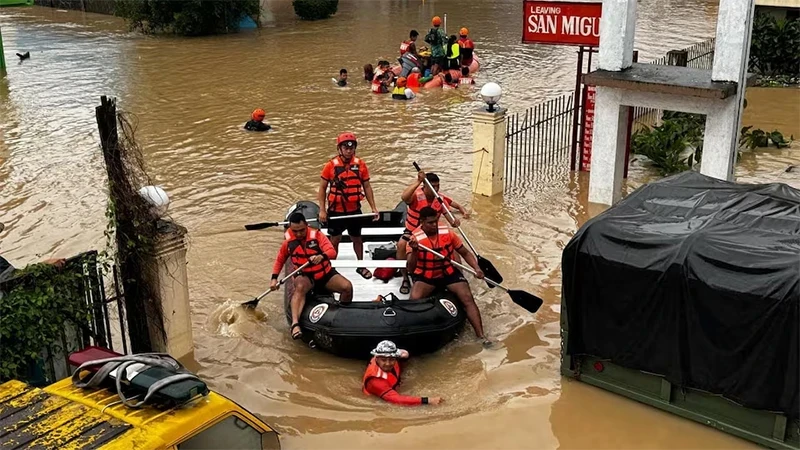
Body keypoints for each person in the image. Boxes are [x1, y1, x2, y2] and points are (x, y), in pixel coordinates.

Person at [406, 207, 488, 343]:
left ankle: (481, 336)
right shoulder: (414, 239)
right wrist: (415, 250)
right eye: (430, 223)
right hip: (427, 276)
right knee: (414, 300)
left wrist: (476, 268)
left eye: (435, 222)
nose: (434, 225)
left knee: (467, 298)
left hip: (448, 273)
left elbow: (465, 253)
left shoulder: (448, 234)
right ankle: (412, 336)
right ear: (422, 222)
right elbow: (411, 267)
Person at [270, 213, 353, 340]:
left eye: (301, 230)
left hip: (324, 274)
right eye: (295, 231)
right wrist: (274, 278)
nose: (298, 234)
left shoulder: (318, 236)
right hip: (305, 275)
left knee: (347, 287)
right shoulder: (288, 242)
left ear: (307, 226)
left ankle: (343, 316)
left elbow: (332, 251)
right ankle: (295, 324)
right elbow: (280, 260)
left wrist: (321, 256)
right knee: (300, 287)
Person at [318, 133, 379, 280]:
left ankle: (361, 265)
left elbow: (367, 186)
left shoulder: (361, 165)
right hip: (336, 211)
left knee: (357, 239)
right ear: (339, 149)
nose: (349, 150)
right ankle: (331, 268)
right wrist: (322, 210)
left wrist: (373, 208)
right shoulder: (330, 166)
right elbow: (321, 189)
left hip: (354, 210)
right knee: (335, 240)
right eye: (345, 147)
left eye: (352, 147)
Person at [397, 171, 468, 294]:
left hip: (432, 231)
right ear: (424, 186)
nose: (435, 189)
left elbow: (448, 215)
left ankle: (459, 276)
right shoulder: (415, 196)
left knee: (453, 247)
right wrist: (419, 180)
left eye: (437, 186)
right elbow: (404, 197)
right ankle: (405, 278)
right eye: (432, 186)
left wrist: (455, 221)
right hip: (413, 231)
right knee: (401, 245)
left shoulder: (439, 199)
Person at [363, 340, 443, 406]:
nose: (388, 363)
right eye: (383, 360)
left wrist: (406, 355)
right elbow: (396, 399)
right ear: (376, 359)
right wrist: (428, 400)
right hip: (381, 398)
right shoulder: (375, 381)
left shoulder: (397, 356)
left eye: (391, 359)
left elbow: (403, 353)